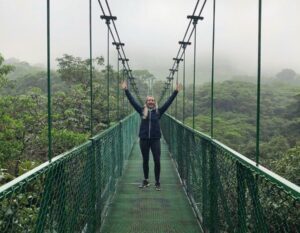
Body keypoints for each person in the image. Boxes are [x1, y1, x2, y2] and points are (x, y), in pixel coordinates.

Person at [121, 81, 181, 191]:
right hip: (143, 139)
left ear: (155, 102)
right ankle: (146, 180)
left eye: (152, 100)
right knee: (145, 160)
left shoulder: (158, 112)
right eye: (149, 100)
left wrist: (175, 92)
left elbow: (168, 102)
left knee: (157, 160)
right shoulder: (141, 110)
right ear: (146, 102)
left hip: (155, 140)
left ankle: (157, 182)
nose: (151, 102)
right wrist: (126, 90)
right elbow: (132, 101)